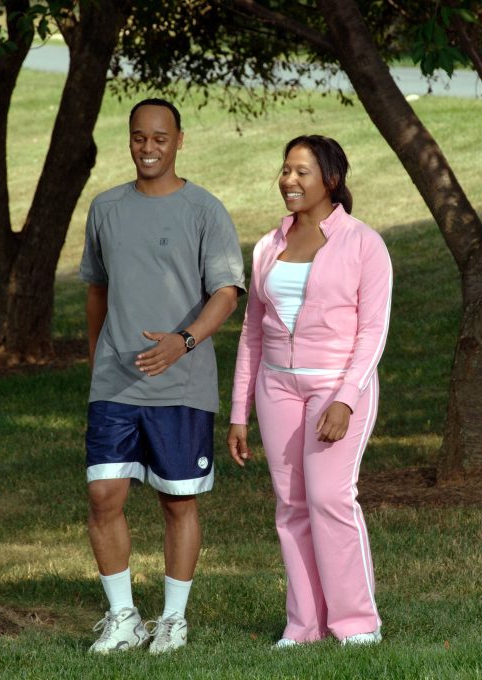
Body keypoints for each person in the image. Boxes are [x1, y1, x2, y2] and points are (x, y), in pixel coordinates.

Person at [79, 98, 244, 655]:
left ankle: (172, 620)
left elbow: (226, 293)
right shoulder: (104, 208)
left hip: (182, 384)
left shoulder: (205, 210)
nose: (148, 148)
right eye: (138, 138)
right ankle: (123, 617)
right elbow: (96, 288)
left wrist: (184, 342)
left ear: (179, 139)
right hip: (115, 385)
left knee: (177, 501)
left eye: (159, 138)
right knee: (103, 495)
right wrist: (96, 356)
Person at [227, 135, 392, 647]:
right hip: (276, 387)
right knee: (291, 505)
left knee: (329, 498)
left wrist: (345, 398)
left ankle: (357, 623)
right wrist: (238, 412)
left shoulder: (364, 242)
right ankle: (304, 625)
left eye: (301, 172)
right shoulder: (267, 247)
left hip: (337, 387)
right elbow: (252, 332)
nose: (289, 181)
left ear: (331, 180)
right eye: (285, 171)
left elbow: (372, 331)